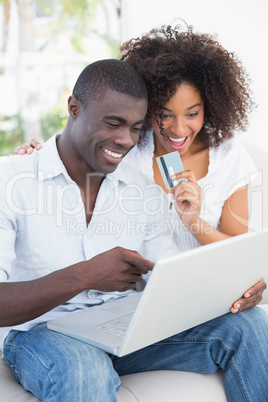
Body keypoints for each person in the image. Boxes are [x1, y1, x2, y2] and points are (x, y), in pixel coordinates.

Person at [2, 59, 268, 402]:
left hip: (125, 329)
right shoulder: (11, 180)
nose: (125, 140)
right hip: (42, 332)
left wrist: (236, 290)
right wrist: (84, 275)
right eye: (114, 123)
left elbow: (170, 278)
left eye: (135, 128)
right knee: (84, 370)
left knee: (247, 325)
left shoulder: (142, 189)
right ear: (74, 108)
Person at [20, 24, 266, 313]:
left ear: (209, 107)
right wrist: (39, 154)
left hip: (204, 294)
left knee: (251, 325)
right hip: (134, 300)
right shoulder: (124, 147)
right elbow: (75, 150)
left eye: (192, 114)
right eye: (164, 115)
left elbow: (238, 256)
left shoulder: (228, 156)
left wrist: (193, 222)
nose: (178, 129)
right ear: (148, 110)